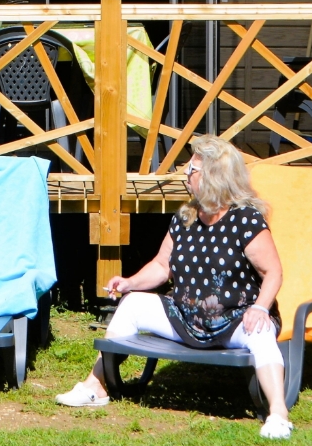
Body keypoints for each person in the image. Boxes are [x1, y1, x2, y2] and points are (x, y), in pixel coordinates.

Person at [54, 135, 294, 440]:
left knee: (261, 333)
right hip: (186, 317)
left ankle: (278, 413)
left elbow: (273, 271)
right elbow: (161, 265)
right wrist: (129, 283)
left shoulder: (245, 219)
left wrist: (260, 307)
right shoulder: (185, 216)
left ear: (214, 175)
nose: (185, 178)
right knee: (133, 305)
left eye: (191, 172)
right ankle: (95, 386)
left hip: (236, 319)